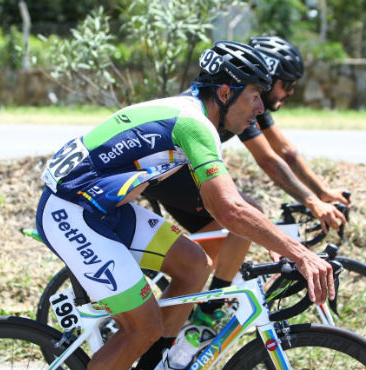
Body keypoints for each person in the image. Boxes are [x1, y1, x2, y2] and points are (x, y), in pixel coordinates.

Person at [36, 41, 335, 370]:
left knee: (194, 265)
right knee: (142, 328)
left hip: (103, 206)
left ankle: (154, 365)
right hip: (72, 211)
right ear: (224, 93)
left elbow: (224, 206)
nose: (260, 109)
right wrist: (300, 252)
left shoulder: (192, 112)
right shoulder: (195, 124)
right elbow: (228, 210)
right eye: (254, 96)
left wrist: (281, 240)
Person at [142, 36, 348, 320]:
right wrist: (313, 201)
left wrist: (322, 194)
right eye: (286, 84)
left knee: (211, 253)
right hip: (167, 172)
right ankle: (209, 313)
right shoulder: (240, 101)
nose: (289, 93)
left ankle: (188, 312)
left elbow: (285, 150)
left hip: (176, 172)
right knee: (246, 213)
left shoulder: (248, 103)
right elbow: (269, 160)